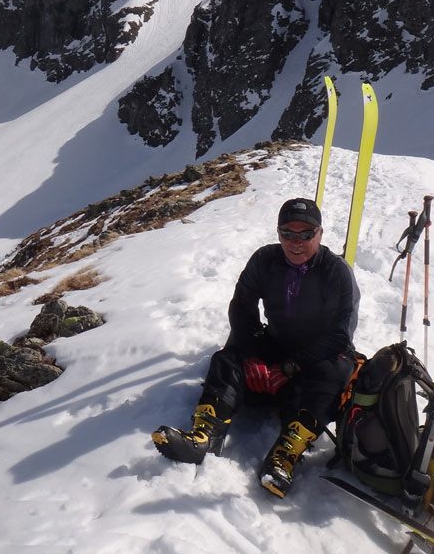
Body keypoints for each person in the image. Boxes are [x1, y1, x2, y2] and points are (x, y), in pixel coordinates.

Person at [152, 197, 360, 497]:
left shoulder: (335, 271)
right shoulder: (265, 260)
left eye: (306, 233)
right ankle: (205, 435)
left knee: (336, 372)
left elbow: (340, 334)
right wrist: (251, 354)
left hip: (315, 358)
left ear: (320, 234)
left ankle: (284, 457)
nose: (296, 241)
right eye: (288, 233)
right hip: (276, 345)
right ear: (278, 234)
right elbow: (242, 308)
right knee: (227, 357)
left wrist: (291, 367)